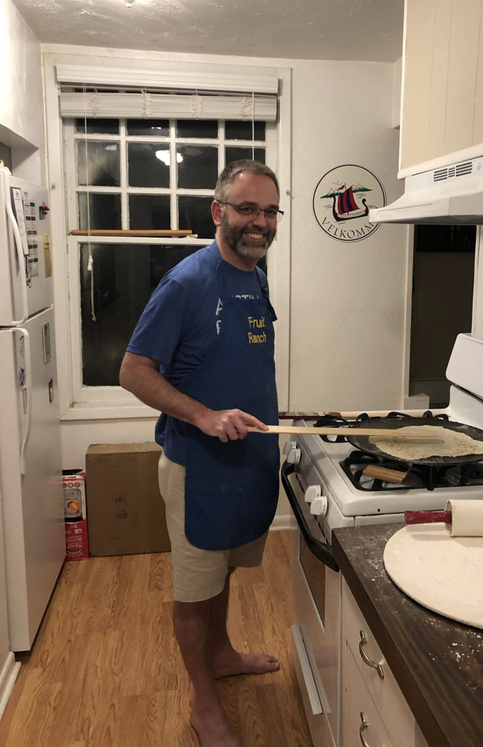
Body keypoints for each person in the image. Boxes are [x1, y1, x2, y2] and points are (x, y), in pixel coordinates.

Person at [119, 159, 283, 747]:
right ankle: (204, 704)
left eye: (268, 211)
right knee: (194, 590)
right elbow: (133, 371)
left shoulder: (255, 274)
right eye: (246, 209)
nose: (258, 222)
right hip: (198, 469)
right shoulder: (188, 282)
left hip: (248, 461)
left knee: (225, 572)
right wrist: (204, 416)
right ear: (218, 212)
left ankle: (223, 653)